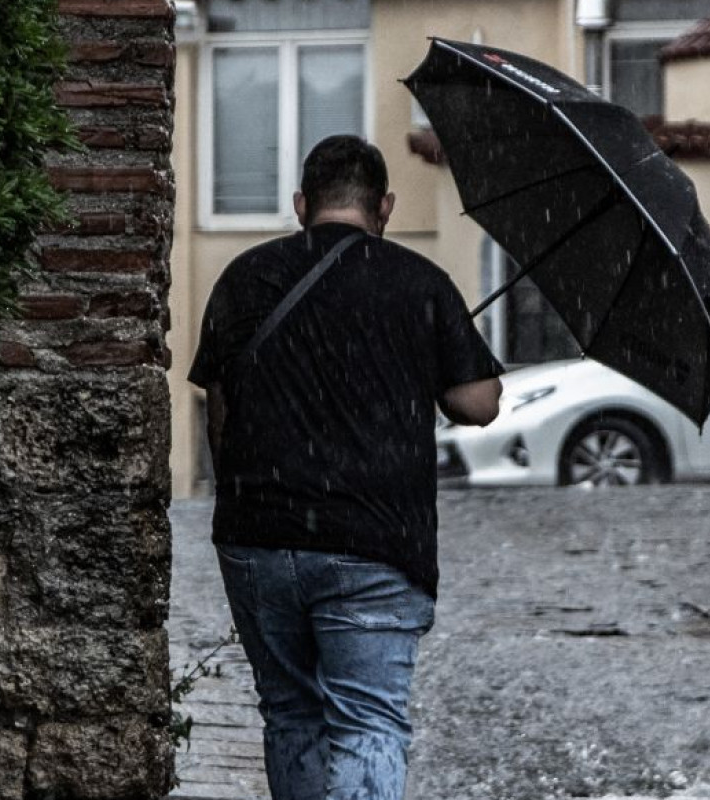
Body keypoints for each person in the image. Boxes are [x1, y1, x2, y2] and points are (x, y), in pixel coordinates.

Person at [188, 135, 502, 800]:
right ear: (383, 205)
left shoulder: (245, 277)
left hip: (260, 536)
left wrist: (244, 502)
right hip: (376, 542)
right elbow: (478, 404)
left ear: (302, 203)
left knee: (291, 714)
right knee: (368, 724)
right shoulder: (420, 283)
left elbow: (219, 408)